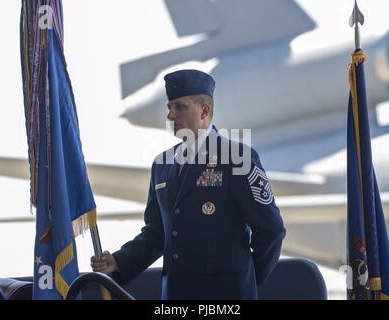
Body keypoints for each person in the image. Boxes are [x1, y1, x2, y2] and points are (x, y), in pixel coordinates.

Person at [90, 69, 286, 299]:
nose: (170, 116)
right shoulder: (162, 165)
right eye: (169, 107)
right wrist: (118, 260)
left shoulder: (236, 158)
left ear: (205, 110)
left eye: (180, 107)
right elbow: (157, 233)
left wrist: (250, 276)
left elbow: (271, 230)